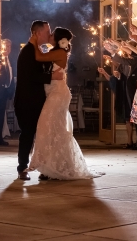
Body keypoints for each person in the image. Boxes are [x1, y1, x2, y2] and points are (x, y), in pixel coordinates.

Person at [28, 27, 102, 180]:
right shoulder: (51, 50)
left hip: (58, 94)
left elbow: (38, 57)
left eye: (52, 35)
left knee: (47, 126)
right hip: (51, 93)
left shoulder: (60, 53)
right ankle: (51, 167)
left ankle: (56, 166)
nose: (50, 36)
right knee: (52, 129)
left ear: (58, 39)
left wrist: (33, 41)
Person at [14, 20, 64, 180]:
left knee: (44, 134)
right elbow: (30, 76)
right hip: (26, 101)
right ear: (37, 33)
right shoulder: (28, 51)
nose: (49, 34)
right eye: (47, 31)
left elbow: (51, 54)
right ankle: (22, 167)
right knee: (28, 134)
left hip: (40, 100)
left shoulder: (40, 49)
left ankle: (46, 168)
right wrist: (52, 76)